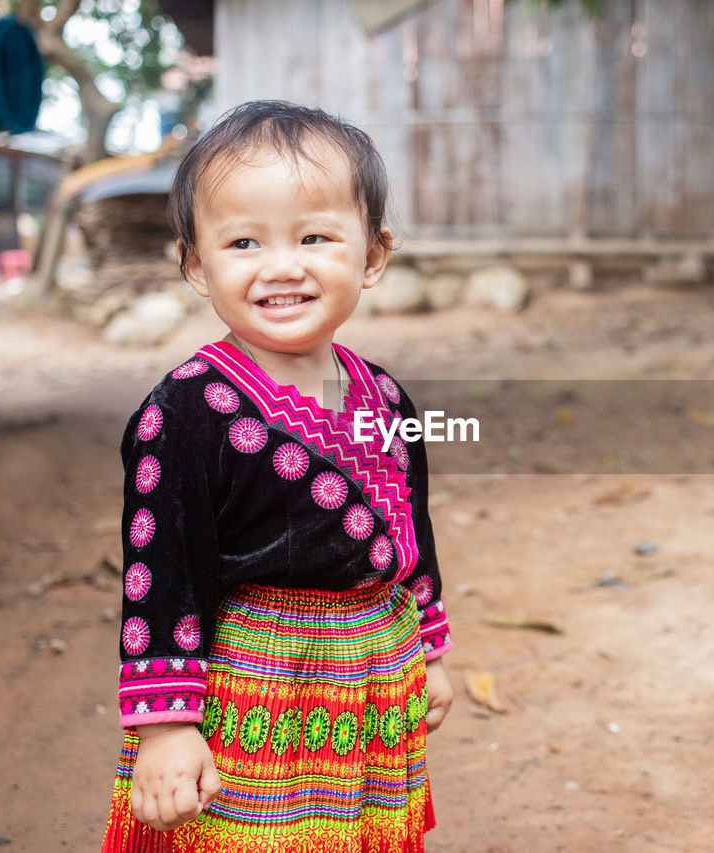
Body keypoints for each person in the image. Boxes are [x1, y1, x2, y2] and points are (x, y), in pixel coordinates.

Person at [100, 100, 454, 852]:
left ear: (374, 255)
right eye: (244, 241)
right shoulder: (186, 412)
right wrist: (167, 725)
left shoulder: (386, 396)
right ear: (197, 265)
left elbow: (408, 525)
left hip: (372, 681)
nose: (282, 265)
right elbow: (164, 571)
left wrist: (428, 649)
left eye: (316, 237)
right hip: (256, 686)